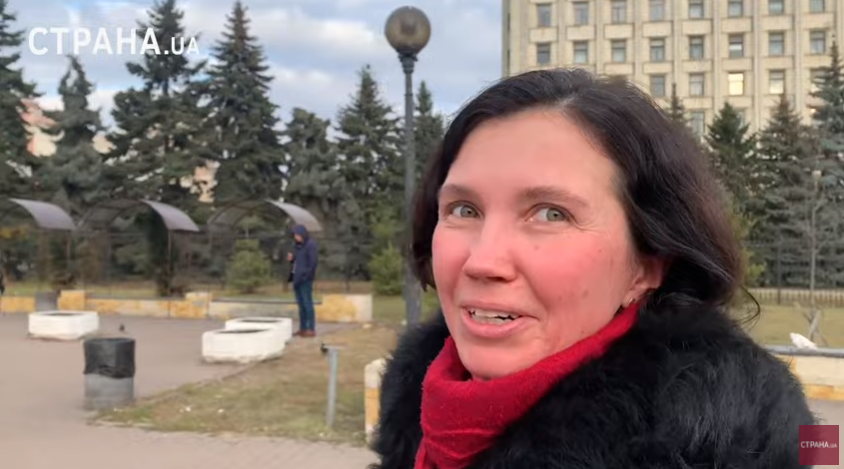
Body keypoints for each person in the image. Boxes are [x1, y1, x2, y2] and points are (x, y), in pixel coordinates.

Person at [369, 69, 815, 469]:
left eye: (551, 214)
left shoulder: (737, 447)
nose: (482, 261)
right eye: (464, 209)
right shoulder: (417, 410)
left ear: (646, 267)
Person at [289, 224, 318, 337]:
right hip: (297, 278)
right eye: (295, 235)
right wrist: (292, 259)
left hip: (305, 279)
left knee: (307, 303)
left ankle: (310, 328)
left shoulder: (310, 245)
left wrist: (307, 276)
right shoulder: (297, 246)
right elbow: (298, 261)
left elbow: (312, 263)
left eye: (297, 235)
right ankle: (303, 328)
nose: (296, 237)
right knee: (301, 305)